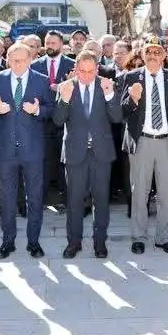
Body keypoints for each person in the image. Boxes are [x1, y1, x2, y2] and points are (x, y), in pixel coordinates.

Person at [0, 42, 54, 259]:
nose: (17, 64)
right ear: (7, 60)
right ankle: (8, 241)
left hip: (32, 150)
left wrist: (37, 110)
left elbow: (52, 109)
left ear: (30, 60)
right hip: (5, 150)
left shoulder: (41, 81)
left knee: (34, 198)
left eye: (22, 60)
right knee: (6, 198)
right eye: (13, 60)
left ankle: (34, 242)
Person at [52, 50, 122, 259]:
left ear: (97, 69)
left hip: (101, 153)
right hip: (75, 153)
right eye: (82, 71)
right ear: (76, 69)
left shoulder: (106, 85)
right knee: (74, 201)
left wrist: (110, 95)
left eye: (91, 71)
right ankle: (74, 243)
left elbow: (117, 117)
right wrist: (63, 101)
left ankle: (100, 243)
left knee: (101, 201)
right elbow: (57, 120)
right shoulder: (67, 87)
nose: (86, 76)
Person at [121, 38, 168, 255]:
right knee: (139, 193)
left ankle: (163, 238)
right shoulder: (130, 77)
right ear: (142, 54)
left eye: (157, 52)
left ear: (164, 55)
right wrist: (133, 99)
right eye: (149, 52)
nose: (153, 56)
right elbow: (121, 111)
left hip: (166, 142)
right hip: (142, 142)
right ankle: (138, 237)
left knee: (166, 195)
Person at [32, 30, 75, 210]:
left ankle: (67, 199)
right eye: (47, 43)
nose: (49, 46)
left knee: (65, 162)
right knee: (43, 161)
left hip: (65, 120)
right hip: (41, 120)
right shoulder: (35, 65)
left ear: (61, 45)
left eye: (53, 43)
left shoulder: (72, 65)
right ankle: (41, 200)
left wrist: (65, 86)